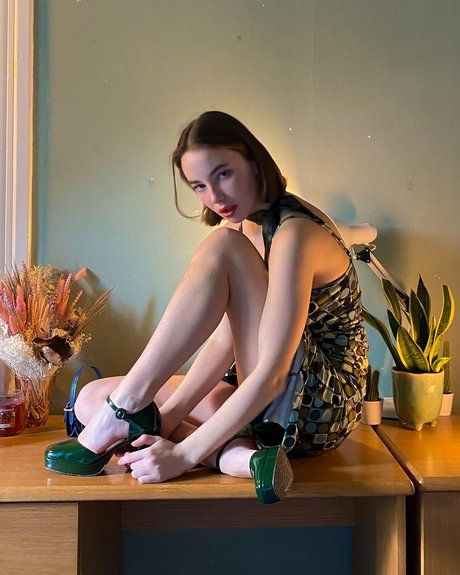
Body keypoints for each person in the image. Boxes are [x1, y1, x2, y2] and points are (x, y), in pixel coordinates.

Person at [45, 111, 374, 504]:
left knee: (222, 247)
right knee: (90, 398)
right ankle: (245, 460)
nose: (214, 197)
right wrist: (166, 421)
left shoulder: (295, 234)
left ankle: (133, 410)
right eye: (200, 185)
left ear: (254, 161)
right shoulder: (242, 225)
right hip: (260, 390)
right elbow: (222, 343)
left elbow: (273, 375)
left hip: (316, 406)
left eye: (223, 174)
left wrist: (183, 456)